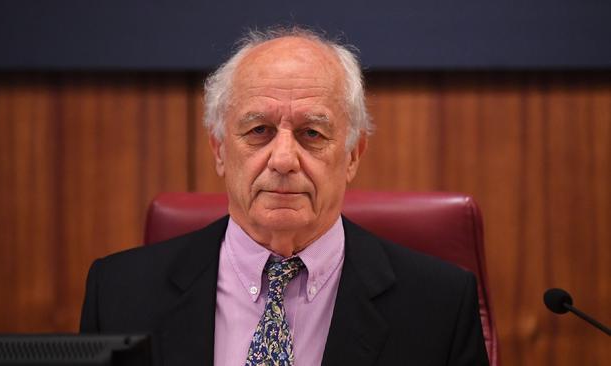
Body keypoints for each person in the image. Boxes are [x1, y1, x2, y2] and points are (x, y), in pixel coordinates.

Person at [80, 26, 489, 366]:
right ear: (220, 150)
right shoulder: (118, 294)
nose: (283, 159)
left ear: (352, 155)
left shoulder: (439, 307)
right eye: (258, 131)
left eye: (312, 134)